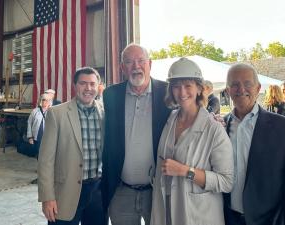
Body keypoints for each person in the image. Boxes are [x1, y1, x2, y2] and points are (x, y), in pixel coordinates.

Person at [223, 63, 285, 225]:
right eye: (235, 84)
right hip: (227, 219)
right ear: (228, 91)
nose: (241, 89)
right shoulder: (219, 128)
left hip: (270, 221)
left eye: (247, 84)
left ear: (258, 89)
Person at [150, 58, 233, 225]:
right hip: (166, 210)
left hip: (198, 216)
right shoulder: (170, 119)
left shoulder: (214, 129)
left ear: (199, 88)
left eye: (188, 85)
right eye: (176, 86)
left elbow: (226, 182)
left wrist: (185, 171)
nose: (182, 92)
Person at [101, 43, 171, 225]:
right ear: (122, 67)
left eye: (140, 61)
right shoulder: (111, 95)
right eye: (129, 62)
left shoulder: (168, 93)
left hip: (158, 192)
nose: (136, 67)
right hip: (121, 191)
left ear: (150, 64)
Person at [38, 67, 106, 225]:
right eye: (83, 83)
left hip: (98, 190)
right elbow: (45, 160)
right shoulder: (57, 114)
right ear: (75, 86)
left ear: (98, 87)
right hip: (66, 191)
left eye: (92, 84)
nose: (88, 88)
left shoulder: (105, 112)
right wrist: (47, 197)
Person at [27, 93, 52, 157]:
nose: (46, 102)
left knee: (46, 155)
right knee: (39, 154)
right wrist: (30, 137)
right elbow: (29, 123)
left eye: (48, 100)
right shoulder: (35, 111)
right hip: (37, 138)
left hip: (48, 139)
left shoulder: (52, 112)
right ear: (41, 100)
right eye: (44, 100)